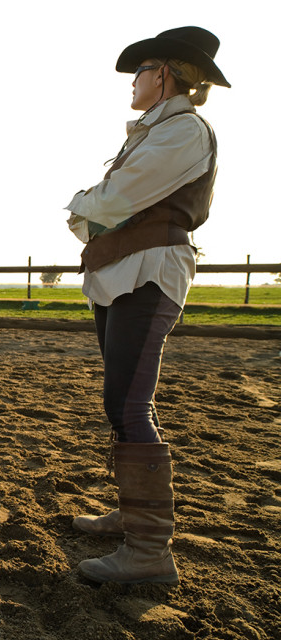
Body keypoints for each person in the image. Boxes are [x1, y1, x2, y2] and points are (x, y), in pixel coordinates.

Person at [65, 27, 229, 585]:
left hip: (148, 271)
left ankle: (150, 552)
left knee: (127, 402)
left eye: (140, 71)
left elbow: (111, 201)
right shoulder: (155, 133)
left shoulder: (183, 130)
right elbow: (106, 209)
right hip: (123, 270)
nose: (132, 82)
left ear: (165, 74)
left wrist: (83, 206)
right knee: (125, 401)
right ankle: (134, 519)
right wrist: (92, 211)